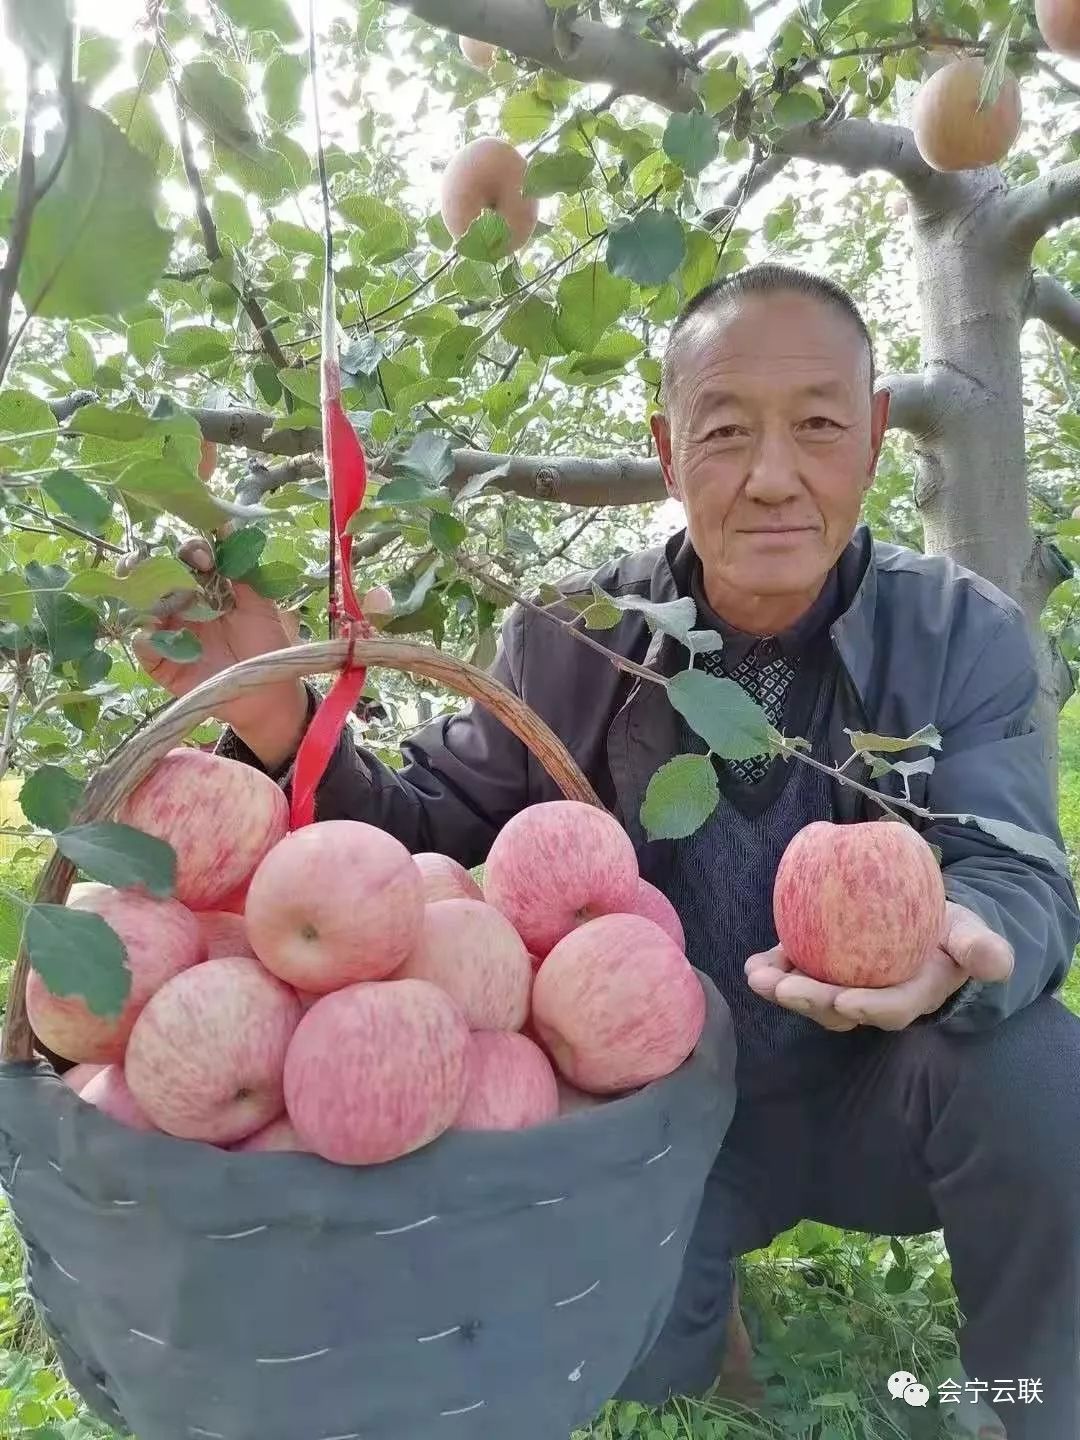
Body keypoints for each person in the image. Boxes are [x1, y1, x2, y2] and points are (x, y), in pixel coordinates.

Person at [137, 264, 1080, 1439]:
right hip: (647, 1114)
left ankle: (1033, 1403)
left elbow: (1016, 865)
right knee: (647, 1383)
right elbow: (417, 837)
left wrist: (967, 943)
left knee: (1042, 1068)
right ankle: (703, 1321)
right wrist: (284, 723)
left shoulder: (959, 633)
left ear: (877, 434)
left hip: (880, 1089)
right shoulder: (572, 639)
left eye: (822, 426)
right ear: (667, 449)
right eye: (726, 431)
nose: (773, 476)